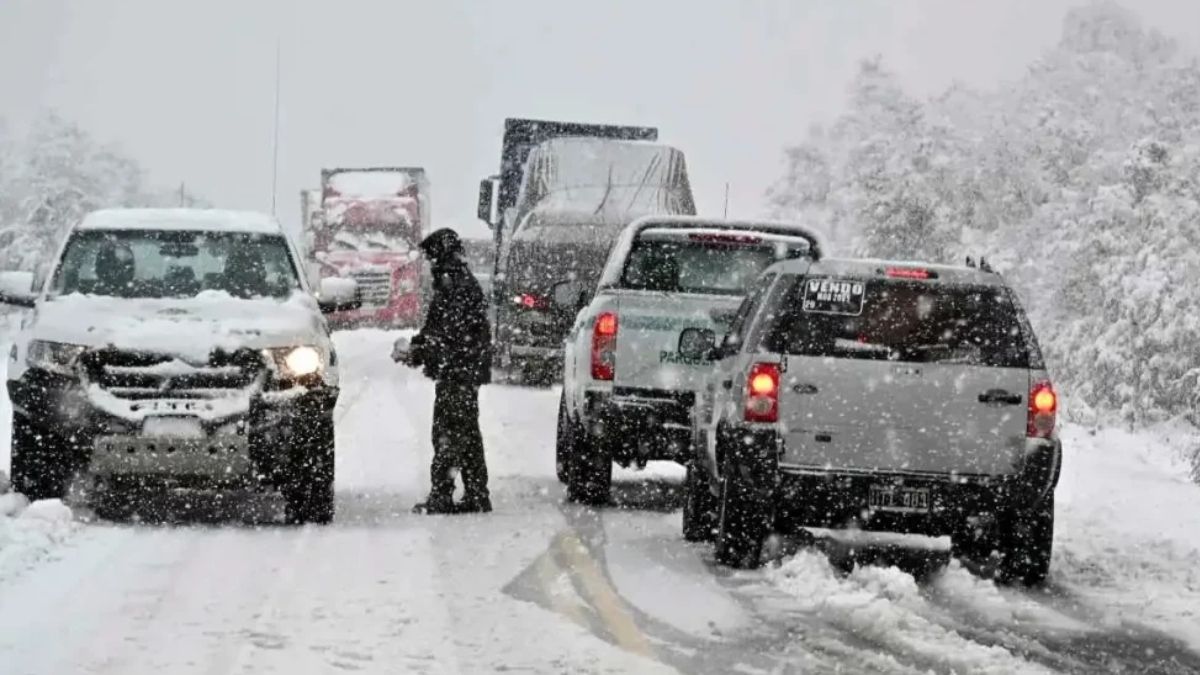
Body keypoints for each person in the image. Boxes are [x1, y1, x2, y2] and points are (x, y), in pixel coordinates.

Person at [403, 228, 493, 514]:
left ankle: (442, 495)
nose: (429, 264)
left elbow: (448, 335)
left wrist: (419, 351)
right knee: (466, 433)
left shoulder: (454, 285)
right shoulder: (456, 282)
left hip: (458, 373)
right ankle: (478, 494)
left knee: (447, 433)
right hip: (463, 371)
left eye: (431, 258)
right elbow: (437, 329)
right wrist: (418, 347)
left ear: (440, 256)